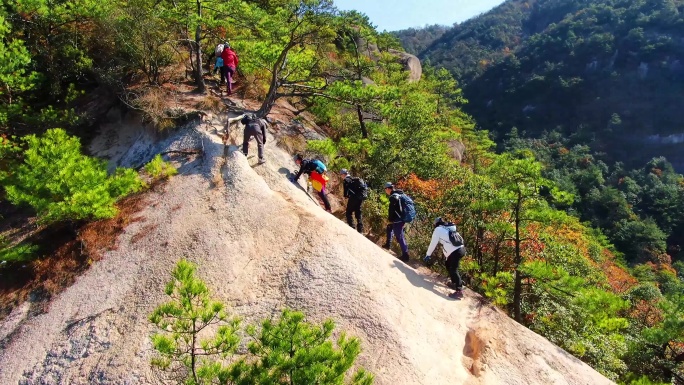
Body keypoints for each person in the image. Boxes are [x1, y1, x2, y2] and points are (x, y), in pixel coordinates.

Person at [423, 217, 466, 299]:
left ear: (436, 224)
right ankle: (455, 283)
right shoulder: (449, 228)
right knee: (448, 264)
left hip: (455, 252)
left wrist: (428, 254)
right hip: (461, 249)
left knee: (453, 269)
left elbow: (433, 243)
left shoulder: (438, 230)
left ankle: (459, 291)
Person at [383, 182, 409, 262]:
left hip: (398, 219)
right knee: (389, 227)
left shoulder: (393, 197)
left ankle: (405, 255)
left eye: (385, 189)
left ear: (388, 188)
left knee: (400, 236)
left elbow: (392, 210)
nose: (385, 191)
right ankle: (388, 244)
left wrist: (390, 219)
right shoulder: (398, 195)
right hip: (401, 218)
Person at [340, 169, 366, 233]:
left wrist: (346, 196)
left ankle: (352, 227)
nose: (341, 176)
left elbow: (346, 193)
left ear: (344, 174)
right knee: (358, 212)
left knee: (348, 212)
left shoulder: (346, 180)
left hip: (354, 197)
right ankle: (360, 230)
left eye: (341, 174)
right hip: (360, 197)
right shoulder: (354, 179)